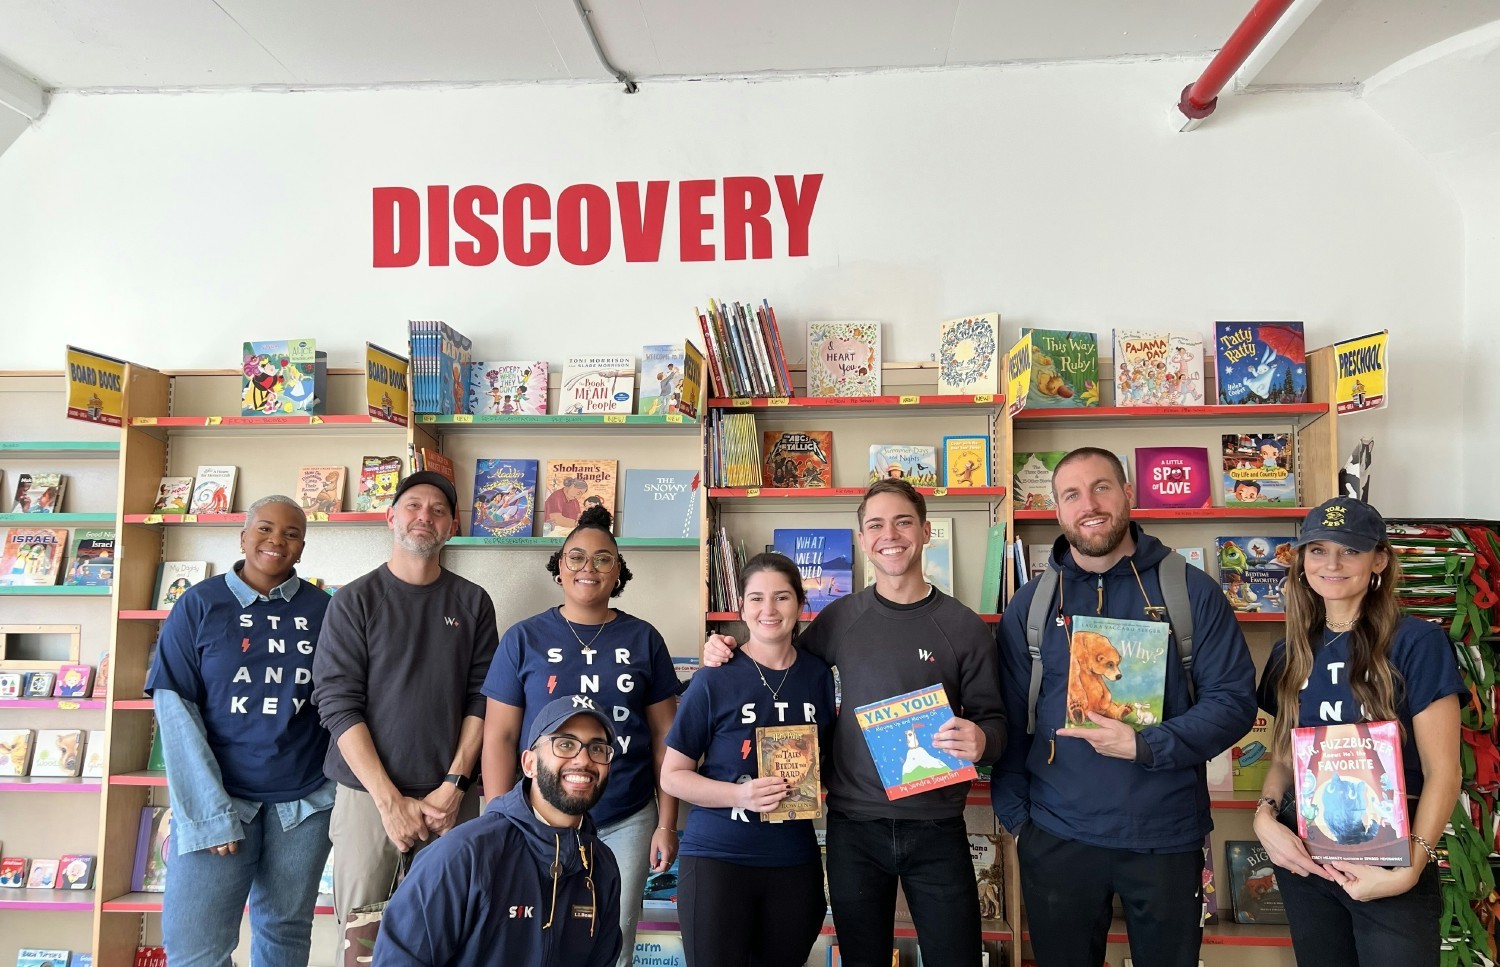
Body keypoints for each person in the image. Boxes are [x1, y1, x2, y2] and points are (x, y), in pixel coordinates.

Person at [705, 478, 1005, 967]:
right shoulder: (841, 618)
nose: (891, 534)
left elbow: (996, 723)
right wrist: (727, 649)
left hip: (937, 828)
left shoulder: (964, 626)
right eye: (876, 525)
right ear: (863, 538)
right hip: (854, 829)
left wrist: (982, 738)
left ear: (926, 531)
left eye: (904, 521)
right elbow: (779, 666)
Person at [993, 447, 1256, 967]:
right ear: (1057, 510)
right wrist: (1019, 819)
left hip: (1165, 838)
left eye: (1102, 487)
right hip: (1056, 835)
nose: (1088, 504)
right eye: (1072, 494)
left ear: (1128, 494)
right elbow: (1009, 718)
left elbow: (1233, 702)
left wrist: (1144, 744)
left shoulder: (1190, 591)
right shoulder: (1032, 605)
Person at [1252, 497, 1464, 966]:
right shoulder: (1290, 652)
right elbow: (1286, 755)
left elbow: (1445, 770)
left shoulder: (1417, 643)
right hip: (1308, 859)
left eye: (1349, 550)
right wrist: (1265, 816)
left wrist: (1410, 868)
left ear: (1380, 561)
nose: (1331, 564)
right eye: (1317, 550)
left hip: (1390, 859)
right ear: (1302, 560)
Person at [482, 504, 681, 967]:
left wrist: (667, 823)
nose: (587, 567)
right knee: (529, 937)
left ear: (618, 574)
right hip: (537, 818)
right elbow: (499, 737)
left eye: (603, 559)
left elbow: (666, 737)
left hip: (627, 816)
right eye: (575, 557)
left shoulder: (644, 638)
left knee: (614, 941)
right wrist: (496, 821)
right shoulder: (522, 639)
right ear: (558, 569)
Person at [145, 495, 333, 967]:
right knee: (196, 947)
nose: (277, 541)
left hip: (304, 804)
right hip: (221, 801)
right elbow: (175, 707)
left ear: (303, 546)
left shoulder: (326, 609)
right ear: (243, 536)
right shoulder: (198, 604)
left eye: (291, 534)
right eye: (265, 529)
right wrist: (209, 810)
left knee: (285, 934)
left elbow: (343, 701)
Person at [311, 471, 499, 932]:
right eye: (413, 506)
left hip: (447, 801)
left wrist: (455, 786)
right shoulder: (353, 601)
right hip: (366, 799)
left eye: (438, 511)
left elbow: (484, 699)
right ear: (391, 516)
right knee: (362, 940)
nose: (424, 517)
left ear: (451, 527)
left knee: (447, 935)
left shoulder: (473, 602)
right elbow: (337, 703)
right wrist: (388, 800)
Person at [661, 553, 836, 967]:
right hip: (718, 858)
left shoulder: (817, 675)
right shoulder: (713, 676)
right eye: (756, 599)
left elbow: (825, 758)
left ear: (800, 605)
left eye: (782, 598)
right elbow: (673, 776)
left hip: (794, 860)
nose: (768, 610)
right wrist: (740, 795)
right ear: (741, 607)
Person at [374, 695, 623, 967]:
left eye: (598, 749)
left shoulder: (602, 866)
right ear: (529, 764)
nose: (584, 760)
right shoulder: (464, 854)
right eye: (565, 744)